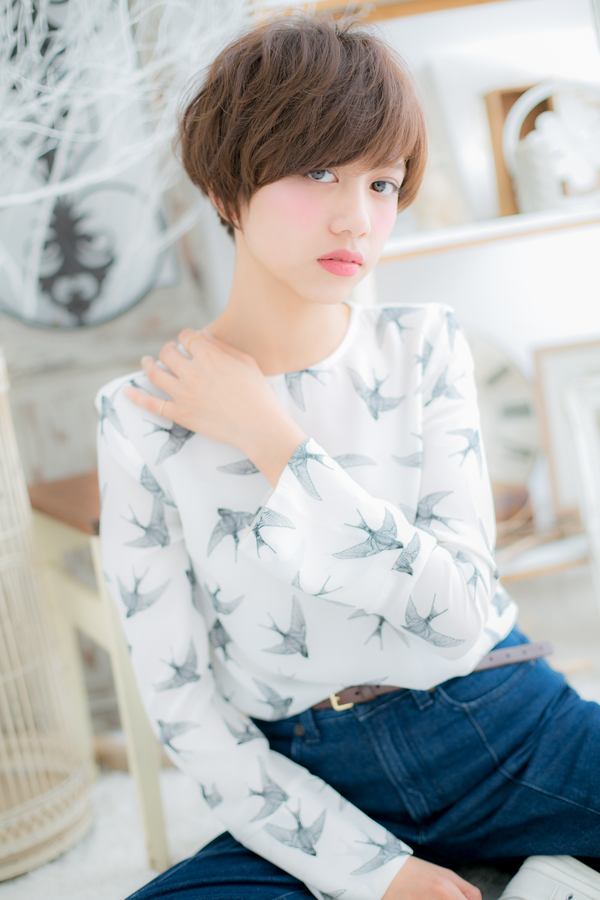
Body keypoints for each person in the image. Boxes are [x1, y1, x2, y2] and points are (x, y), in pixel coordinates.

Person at [96, 13, 600, 900]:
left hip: (500, 726)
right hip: (309, 778)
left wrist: (270, 436)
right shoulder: (140, 417)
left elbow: (457, 614)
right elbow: (185, 707)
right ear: (224, 187)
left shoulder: (425, 346)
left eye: (382, 182)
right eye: (318, 171)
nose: (355, 217)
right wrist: (381, 874)